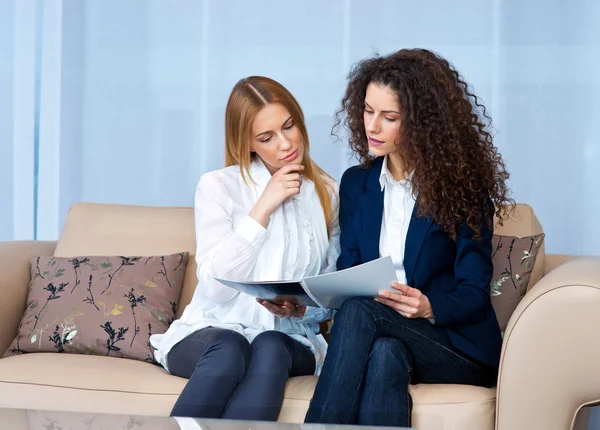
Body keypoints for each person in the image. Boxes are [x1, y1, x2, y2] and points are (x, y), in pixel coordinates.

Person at [305, 48, 514, 427]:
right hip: (383, 331)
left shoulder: (462, 189)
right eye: (368, 111)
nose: (372, 126)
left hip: (451, 342)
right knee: (385, 354)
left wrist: (428, 306)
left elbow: (473, 294)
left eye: (389, 117)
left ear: (421, 123)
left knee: (359, 313)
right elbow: (349, 268)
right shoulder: (357, 184)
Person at [150, 76, 339, 421]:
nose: (285, 144)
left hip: (290, 338)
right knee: (230, 346)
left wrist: (301, 311)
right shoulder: (218, 187)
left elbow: (330, 292)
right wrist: (263, 208)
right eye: (267, 138)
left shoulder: (327, 192)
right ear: (248, 143)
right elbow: (215, 290)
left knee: (269, 344)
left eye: (289, 126)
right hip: (213, 332)